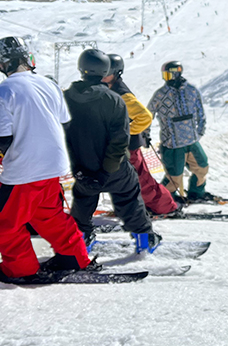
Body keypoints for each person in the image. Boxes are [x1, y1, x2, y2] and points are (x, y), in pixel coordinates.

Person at [0, 37, 92, 282]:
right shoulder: (48, 84)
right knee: (48, 215)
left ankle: (21, 269)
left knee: (5, 223)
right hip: (53, 165)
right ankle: (74, 257)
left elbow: (3, 138)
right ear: (27, 59)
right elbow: (64, 121)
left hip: (23, 169)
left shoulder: (4, 90)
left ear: (3, 65)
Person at [64, 49, 159, 249]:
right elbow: (119, 140)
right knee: (129, 195)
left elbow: (63, 132)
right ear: (105, 69)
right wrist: (106, 171)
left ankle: (81, 241)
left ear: (82, 69)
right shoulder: (114, 99)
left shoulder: (66, 98)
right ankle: (144, 240)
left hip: (83, 167)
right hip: (114, 168)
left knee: (83, 199)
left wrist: (80, 168)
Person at [102, 54, 179, 217]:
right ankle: (130, 208)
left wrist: (124, 133)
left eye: (106, 71)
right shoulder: (107, 90)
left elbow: (145, 117)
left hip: (129, 147)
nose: (102, 74)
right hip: (118, 147)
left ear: (116, 73)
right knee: (122, 182)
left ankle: (167, 207)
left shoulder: (122, 94)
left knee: (141, 181)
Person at [148, 60, 212, 202]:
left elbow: (200, 112)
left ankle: (197, 193)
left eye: (168, 75)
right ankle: (165, 198)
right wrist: (145, 132)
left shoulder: (191, 91)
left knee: (202, 166)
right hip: (172, 143)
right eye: (164, 75)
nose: (165, 78)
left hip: (191, 140)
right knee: (174, 176)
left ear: (177, 73)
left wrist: (199, 131)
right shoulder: (161, 94)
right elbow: (148, 114)